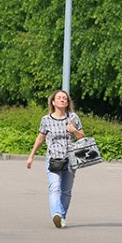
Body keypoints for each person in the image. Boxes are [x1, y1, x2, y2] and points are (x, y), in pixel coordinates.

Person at [26, 89, 84, 229]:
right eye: (59, 98)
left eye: (65, 98)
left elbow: (81, 136)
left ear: (67, 102)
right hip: (54, 158)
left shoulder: (73, 117)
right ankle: (56, 214)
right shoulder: (46, 120)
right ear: (53, 102)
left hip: (71, 158)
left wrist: (73, 130)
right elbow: (40, 138)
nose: (63, 99)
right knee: (54, 187)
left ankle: (61, 217)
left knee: (66, 190)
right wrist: (31, 156)